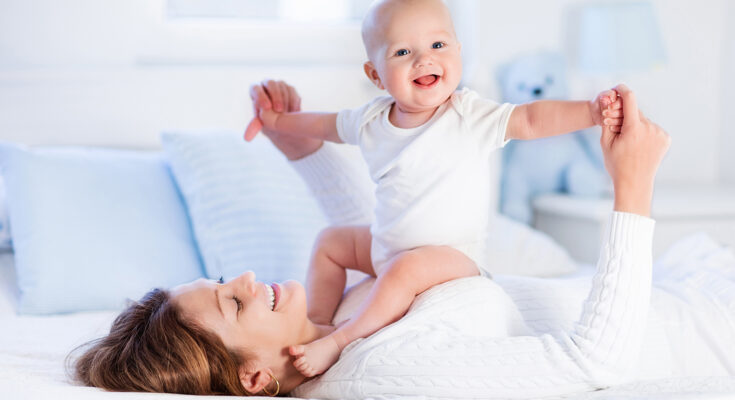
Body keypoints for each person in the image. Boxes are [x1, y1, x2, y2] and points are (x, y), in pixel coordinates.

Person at [71, 81, 735, 399]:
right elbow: (595, 364)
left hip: (690, 287)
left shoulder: (324, 337)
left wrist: (299, 145)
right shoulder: (381, 373)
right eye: (233, 304)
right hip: (711, 327)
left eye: (225, 283)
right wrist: (631, 190)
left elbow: (387, 234)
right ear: (252, 377)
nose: (246, 281)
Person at [243, 0, 624, 377]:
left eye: (438, 46)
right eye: (403, 51)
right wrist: (279, 120)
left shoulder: (468, 115)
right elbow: (322, 126)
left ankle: (341, 340)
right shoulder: (369, 120)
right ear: (375, 74)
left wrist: (590, 112)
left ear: (458, 52)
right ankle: (317, 323)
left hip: (451, 258)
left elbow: (530, 119)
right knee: (330, 242)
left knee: (405, 269)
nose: (423, 59)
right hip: (384, 246)